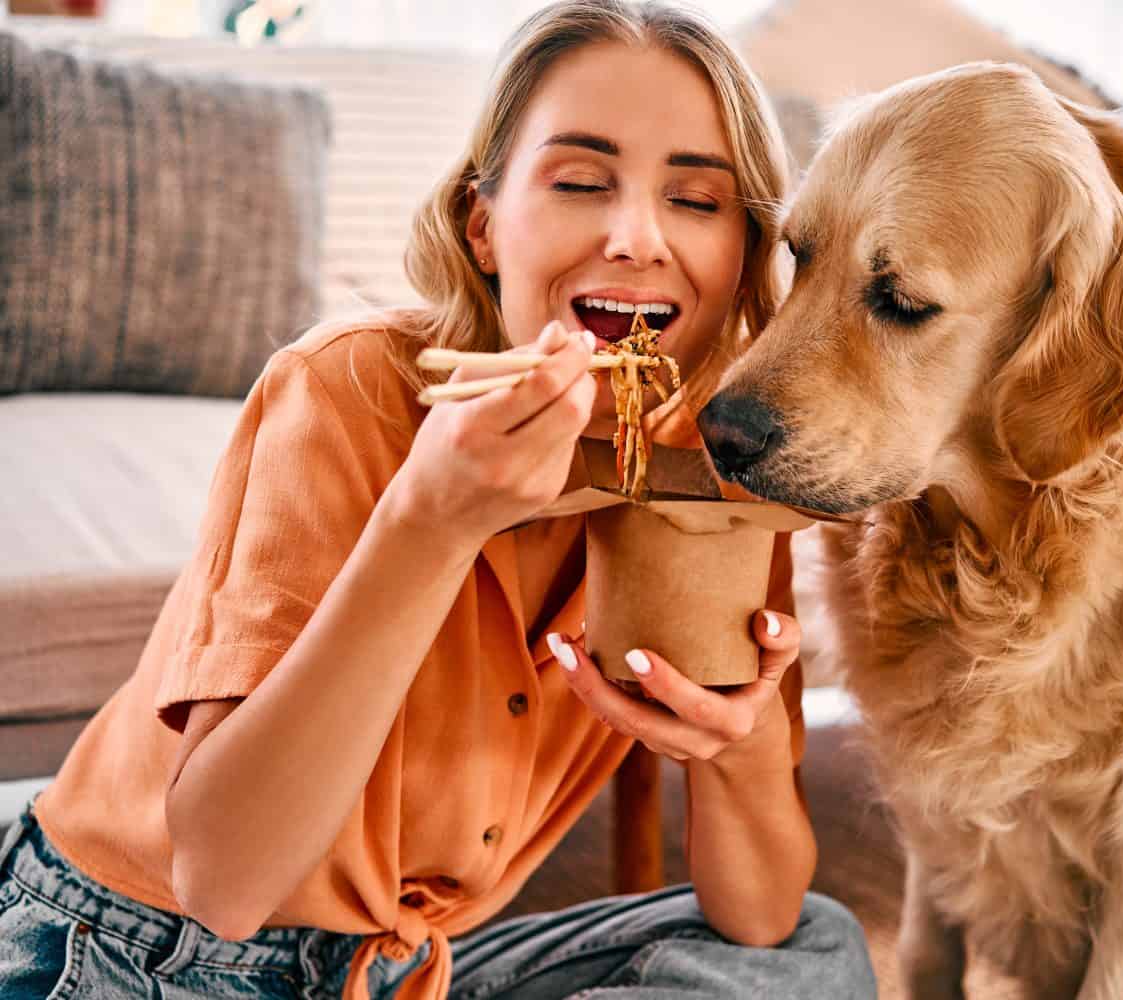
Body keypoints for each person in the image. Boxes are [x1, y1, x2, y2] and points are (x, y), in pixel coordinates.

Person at [0, 3, 877, 997]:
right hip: (134, 946)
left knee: (814, 947)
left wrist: (741, 744)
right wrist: (429, 523)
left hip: (398, 968)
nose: (637, 237)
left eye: (696, 200)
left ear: (744, 254)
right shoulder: (346, 391)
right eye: (580, 183)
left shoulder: (710, 463)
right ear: (483, 226)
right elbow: (225, 885)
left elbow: (758, 915)